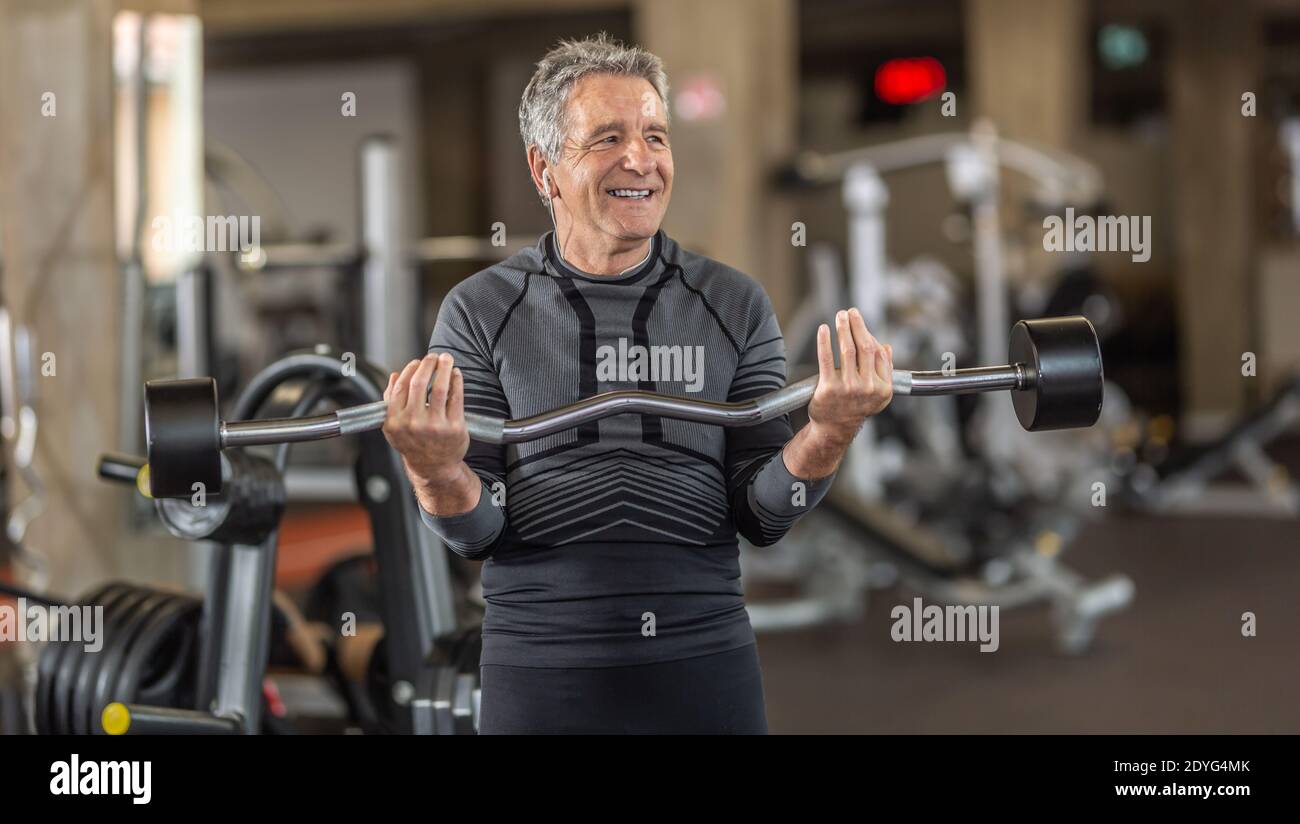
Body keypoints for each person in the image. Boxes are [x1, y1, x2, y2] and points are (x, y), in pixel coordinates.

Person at [381, 33, 893, 734]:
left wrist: (831, 433)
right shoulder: (480, 311)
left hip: (703, 662)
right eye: (608, 138)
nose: (640, 159)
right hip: (542, 668)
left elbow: (765, 515)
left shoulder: (733, 303)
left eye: (655, 135)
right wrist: (432, 468)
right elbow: (479, 532)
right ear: (545, 169)